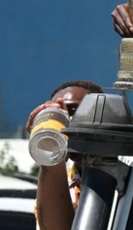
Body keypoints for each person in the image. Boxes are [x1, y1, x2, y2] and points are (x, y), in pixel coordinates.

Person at [27, 80, 103, 230]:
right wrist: (49, 145)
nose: (68, 121)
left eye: (75, 111)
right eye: (61, 114)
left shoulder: (131, 173)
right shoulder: (61, 183)